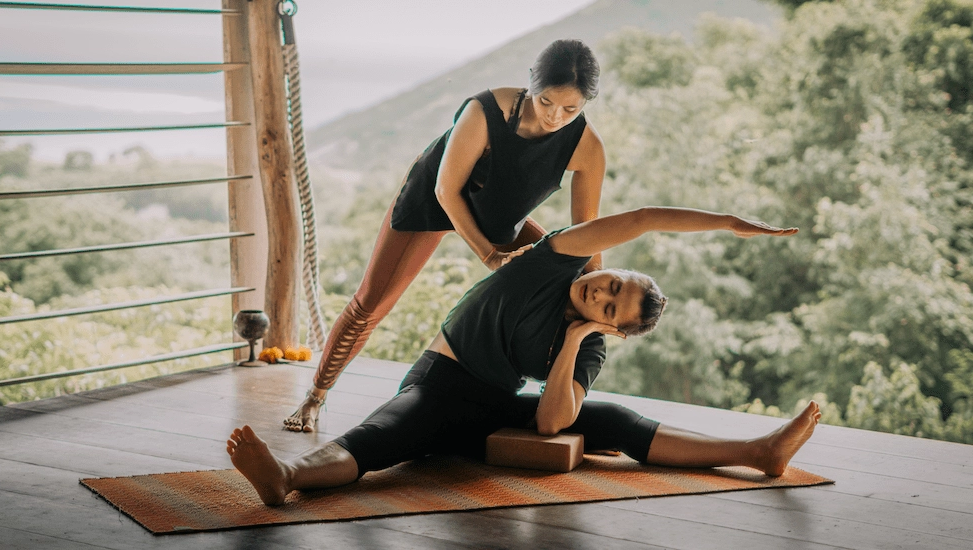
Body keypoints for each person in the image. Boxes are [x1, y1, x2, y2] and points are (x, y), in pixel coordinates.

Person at [231, 206, 821, 506]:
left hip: (495, 409)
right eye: (614, 284)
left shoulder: (586, 344)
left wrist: (571, 343)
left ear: (609, 326)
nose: (604, 295)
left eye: (612, 309)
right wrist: (727, 224)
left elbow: (550, 422)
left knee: (608, 419)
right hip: (440, 386)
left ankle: (757, 452)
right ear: (608, 268)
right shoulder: (552, 259)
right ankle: (285, 477)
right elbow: (641, 219)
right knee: (383, 436)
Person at [284, 39, 608, 432]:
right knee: (372, 301)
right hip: (434, 200)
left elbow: (587, 234)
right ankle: (314, 397)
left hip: (501, 216)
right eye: (546, 103)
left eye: (570, 109)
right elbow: (446, 191)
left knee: (571, 286)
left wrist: (600, 294)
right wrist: (490, 257)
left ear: (586, 103)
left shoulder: (587, 148)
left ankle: (566, 407)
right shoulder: (485, 111)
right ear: (530, 85)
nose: (555, 117)